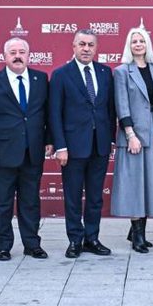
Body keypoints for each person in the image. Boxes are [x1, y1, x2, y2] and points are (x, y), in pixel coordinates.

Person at [0, 37, 52, 261]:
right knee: (2, 202)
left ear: (29, 55)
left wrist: (49, 140)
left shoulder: (41, 79)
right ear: (5, 56)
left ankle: (32, 244)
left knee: (30, 202)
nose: (18, 55)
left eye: (22, 51)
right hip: (2, 153)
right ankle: (3, 246)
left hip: (33, 152)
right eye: (13, 52)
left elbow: (47, 114)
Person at [51, 29, 117, 257]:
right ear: (74, 46)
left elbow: (110, 109)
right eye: (82, 44)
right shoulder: (61, 74)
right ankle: (75, 240)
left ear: (96, 48)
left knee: (95, 197)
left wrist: (110, 140)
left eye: (90, 44)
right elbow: (54, 113)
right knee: (72, 196)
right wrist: (60, 146)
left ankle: (92, 238)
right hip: (72, 148)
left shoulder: (105, 72)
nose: (86, 48)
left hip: (99, 146)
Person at [111, 26, 153, 253]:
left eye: (142, 41)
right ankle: (137, 235)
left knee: (149, 188)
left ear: (148, 45)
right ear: (129, 45)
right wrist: (130, 136)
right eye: (134, 41)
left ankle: (139, 232)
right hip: (134, 139)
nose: (138, 44)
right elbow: (122, 105)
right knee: (135, 188)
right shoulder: (121, 72)